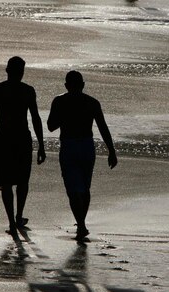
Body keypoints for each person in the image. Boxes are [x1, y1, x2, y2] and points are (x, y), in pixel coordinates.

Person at [0, 56, 46, 240]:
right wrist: (41, 144)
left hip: (4, 140)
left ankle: (13, 220)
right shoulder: (27, 91)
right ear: (18, 72)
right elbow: (35, 119)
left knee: (7, 183)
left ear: (7, 70)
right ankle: (17, 218)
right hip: (20, 140)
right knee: (22, 181)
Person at [47, 70, 117, 241]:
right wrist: (111, 151)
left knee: (73, 190)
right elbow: (103, 127)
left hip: (69, 146)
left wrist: (65, 115)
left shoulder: (60, 101)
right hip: (86, 146)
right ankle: (81, 223)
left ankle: (81, 224)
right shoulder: (91, 102)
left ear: (66, 86)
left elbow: (50, 126)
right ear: (83, 85)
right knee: (84, 188)